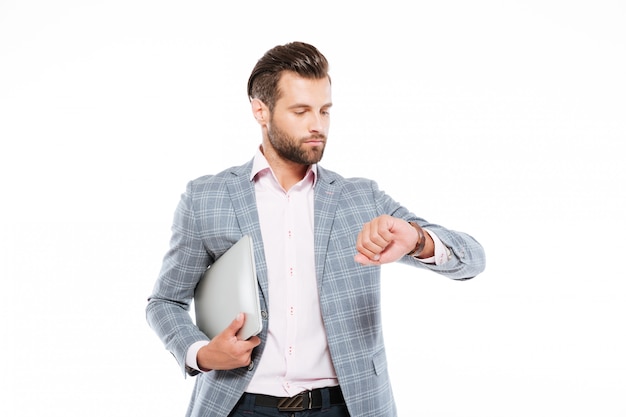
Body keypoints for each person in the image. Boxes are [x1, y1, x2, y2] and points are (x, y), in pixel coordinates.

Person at [146, 41, 486, 417]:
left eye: (325, 111)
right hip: (238, 405)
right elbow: (165, 302)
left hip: (346, 406)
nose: (317, 125)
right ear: (261, 110)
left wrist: (417, 239)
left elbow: (472, 259)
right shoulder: (206, 197)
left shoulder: (360, 198)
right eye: (301, 111)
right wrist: (201, 353)